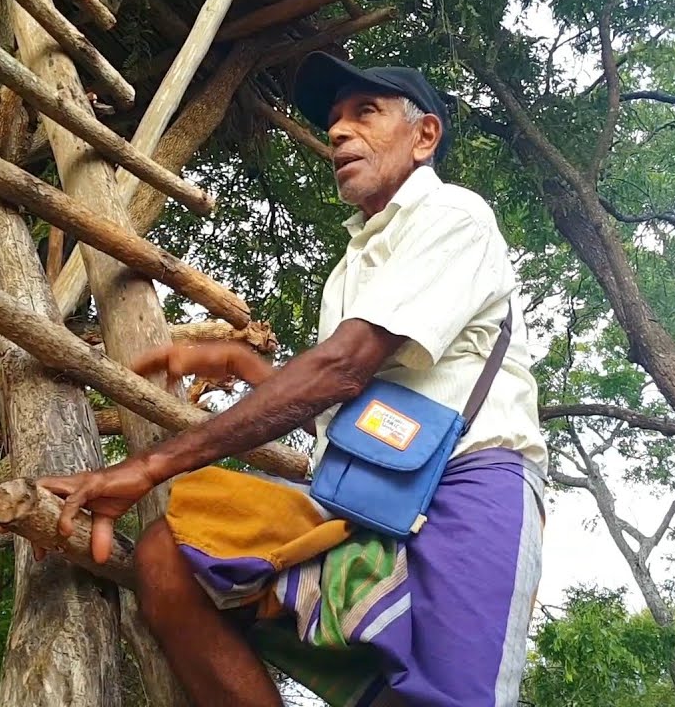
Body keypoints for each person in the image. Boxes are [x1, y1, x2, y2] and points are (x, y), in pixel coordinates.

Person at [37, 52, 549, 707]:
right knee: (174, 554)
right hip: (357, 502)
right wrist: (252, 368)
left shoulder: (455, 216)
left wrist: (146, 468)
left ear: (425, 137)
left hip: (468, 489)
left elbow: (343, 366)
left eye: (365, 112)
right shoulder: (353, 263)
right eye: (334, 120)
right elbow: (364, 406)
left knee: (443, 701)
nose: (338, 132)